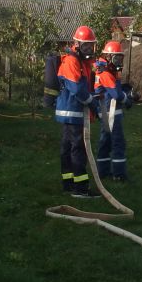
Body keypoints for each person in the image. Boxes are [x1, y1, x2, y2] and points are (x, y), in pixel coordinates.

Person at [55, 26, 100, 198]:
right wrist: (92, 102)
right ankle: (80, 188)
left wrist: (93, 95)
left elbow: (85, 85)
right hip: (73, 110)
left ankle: (68, 184)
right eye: (86, 45)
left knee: (67, 148)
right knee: (78, 149)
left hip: (70, 110)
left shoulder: (82, 61)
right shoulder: (72, 61)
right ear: (77, 44)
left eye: (91, 46)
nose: (89, 49)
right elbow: (76, 89)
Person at [94, 40, 132, 181]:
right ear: (108, 57)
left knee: (106, 142)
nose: (118, 62)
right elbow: (116, 94)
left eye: (120, 58)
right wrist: (128, 99)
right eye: (116, 58)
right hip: (110, 112)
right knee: (118, 143)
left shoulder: (106, 71)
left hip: (105, 111)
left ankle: (103, 172)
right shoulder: (106, 73)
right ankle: (119, 174)